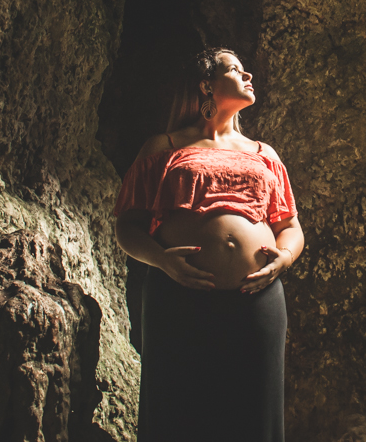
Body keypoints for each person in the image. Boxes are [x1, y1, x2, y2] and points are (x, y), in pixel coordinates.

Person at [113, 47, 304, 442]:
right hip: (179, 297)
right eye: (235, 69)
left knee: (254, 417)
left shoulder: (264, 154)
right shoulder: (163, 147)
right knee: (178, 414)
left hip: (257, 299)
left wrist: (283, 259)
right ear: (206, 85)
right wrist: (163, 261)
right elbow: (127, 228)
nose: (248, 75)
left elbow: (290, 227)